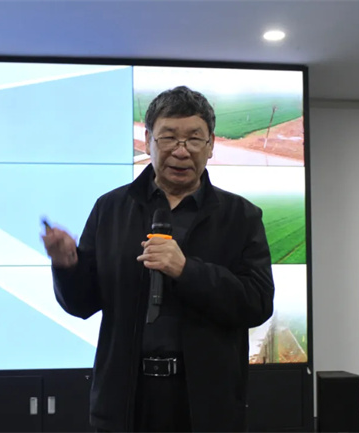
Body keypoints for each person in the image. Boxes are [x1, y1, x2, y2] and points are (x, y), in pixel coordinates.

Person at [42, 86, 274, 432]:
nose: (181, 151)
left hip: (206, 406)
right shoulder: (111, 209)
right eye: (168, 138)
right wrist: (67, 264)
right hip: (126, 401)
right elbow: (82, 303)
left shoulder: (241, 216)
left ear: (211, 145)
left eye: (194, 139)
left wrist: (187, 270)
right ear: (148, 140)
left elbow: (257, 303)